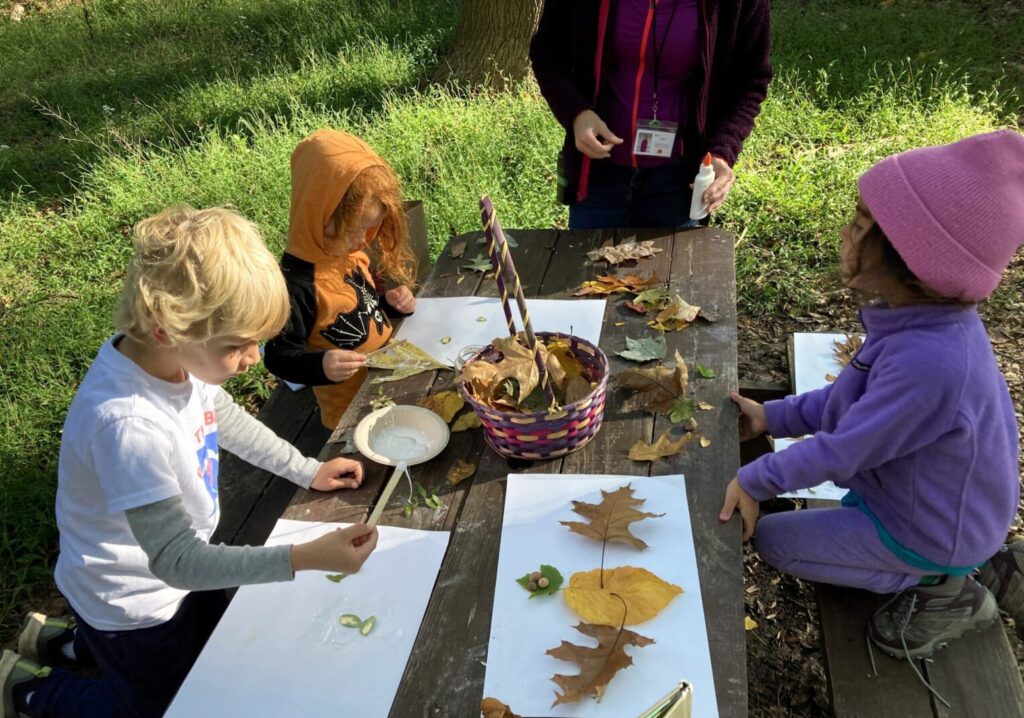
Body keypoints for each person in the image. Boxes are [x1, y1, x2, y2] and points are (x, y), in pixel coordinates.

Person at [0, 207, 379, 718]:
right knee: (152, 703)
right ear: (164, 328)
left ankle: (65, 643)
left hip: (176, 572)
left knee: (204, 653)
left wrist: (305, 469)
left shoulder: (173, 358)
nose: (252, 358)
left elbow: (222, 416)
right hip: (132, 599)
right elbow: (176, 561)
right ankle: (28, 691)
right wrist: (303, 557)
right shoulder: (129, 426)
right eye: (237, 346)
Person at [718, 130, 1024, 662]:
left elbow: (845, 448)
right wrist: (774, 416)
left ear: (913, 256)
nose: (844, 234)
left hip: (927, 529)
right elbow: (850, 402)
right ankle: (976, 561)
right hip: (925, 500)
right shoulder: (918, 323)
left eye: (859, 225)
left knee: (774, 542)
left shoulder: (931, 363)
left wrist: (755, 479)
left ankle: (946, 589)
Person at [529, 0, 772, 229]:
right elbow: (547, 53)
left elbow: (751, 81)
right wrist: (576, 113)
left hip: (678, 183)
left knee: (670, 274)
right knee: (589, 272)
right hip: (599, 176)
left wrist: (722, 152)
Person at [264, 130, 417, 429]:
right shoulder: (297, 283)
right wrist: (320, 366)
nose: (361, 240)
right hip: (349, 414)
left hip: (386, 386)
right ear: (316, 212)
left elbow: (360, 310)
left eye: (370, 228)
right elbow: (277, 355)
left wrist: (389, 305)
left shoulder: (348, 253)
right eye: (352, 231)